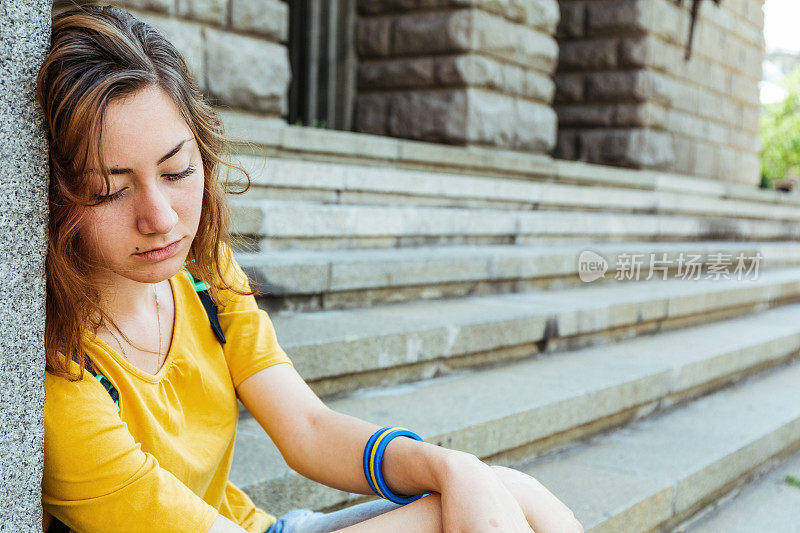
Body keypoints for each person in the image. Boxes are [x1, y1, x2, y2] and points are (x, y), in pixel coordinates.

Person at [37, 4, 584, 533]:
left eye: (177, 171)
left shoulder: (203, 271)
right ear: (52, 196)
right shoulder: (57, 376)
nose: (159, 218)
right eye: (109, 191)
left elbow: (308, 428)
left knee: (509, 488)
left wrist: (451, 467)